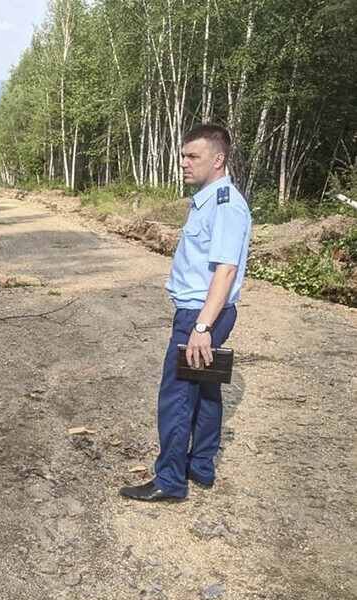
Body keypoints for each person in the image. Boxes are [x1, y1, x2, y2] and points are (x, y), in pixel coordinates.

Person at [120, 123, 252, 502]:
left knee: (177, 396)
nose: (183, 163)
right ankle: (200, 466)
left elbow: (225, 271)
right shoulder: (211, 200)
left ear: (219, 158)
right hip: (205, 311)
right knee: (206, 390)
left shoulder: (226, 206)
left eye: (193, 156)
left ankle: (170, 480)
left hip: (201, 313)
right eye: (183, 155)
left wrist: (201, 327)